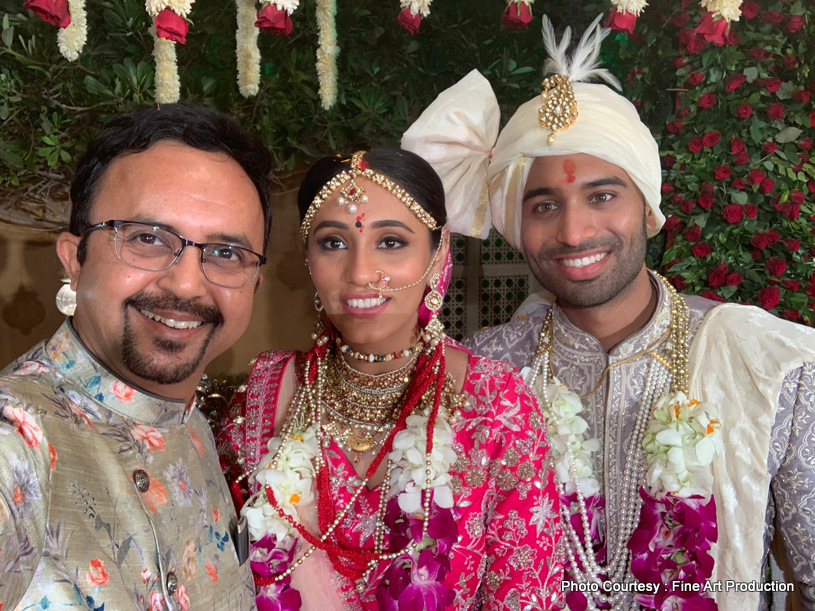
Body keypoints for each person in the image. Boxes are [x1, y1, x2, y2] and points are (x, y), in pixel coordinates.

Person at [401, 16, 815, 611]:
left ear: (647, 208)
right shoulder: (481, 371)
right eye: (544, 205)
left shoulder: (767, 368)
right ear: (516, 228)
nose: (574, 231)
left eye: (602, 196)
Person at [218, 148, 562, 610]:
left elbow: (525, 596)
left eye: (392, 242)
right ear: (308, 259)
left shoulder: (495, 406)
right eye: (333, 243)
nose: (360, 274)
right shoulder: (263, 395)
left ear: (438, 257)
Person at [0, 103, 272, 609]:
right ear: (73, 260)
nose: (187, 284)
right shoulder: (17, 440)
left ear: (254, 283)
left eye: (226, 253)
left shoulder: (195, 425)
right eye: (148, 238)